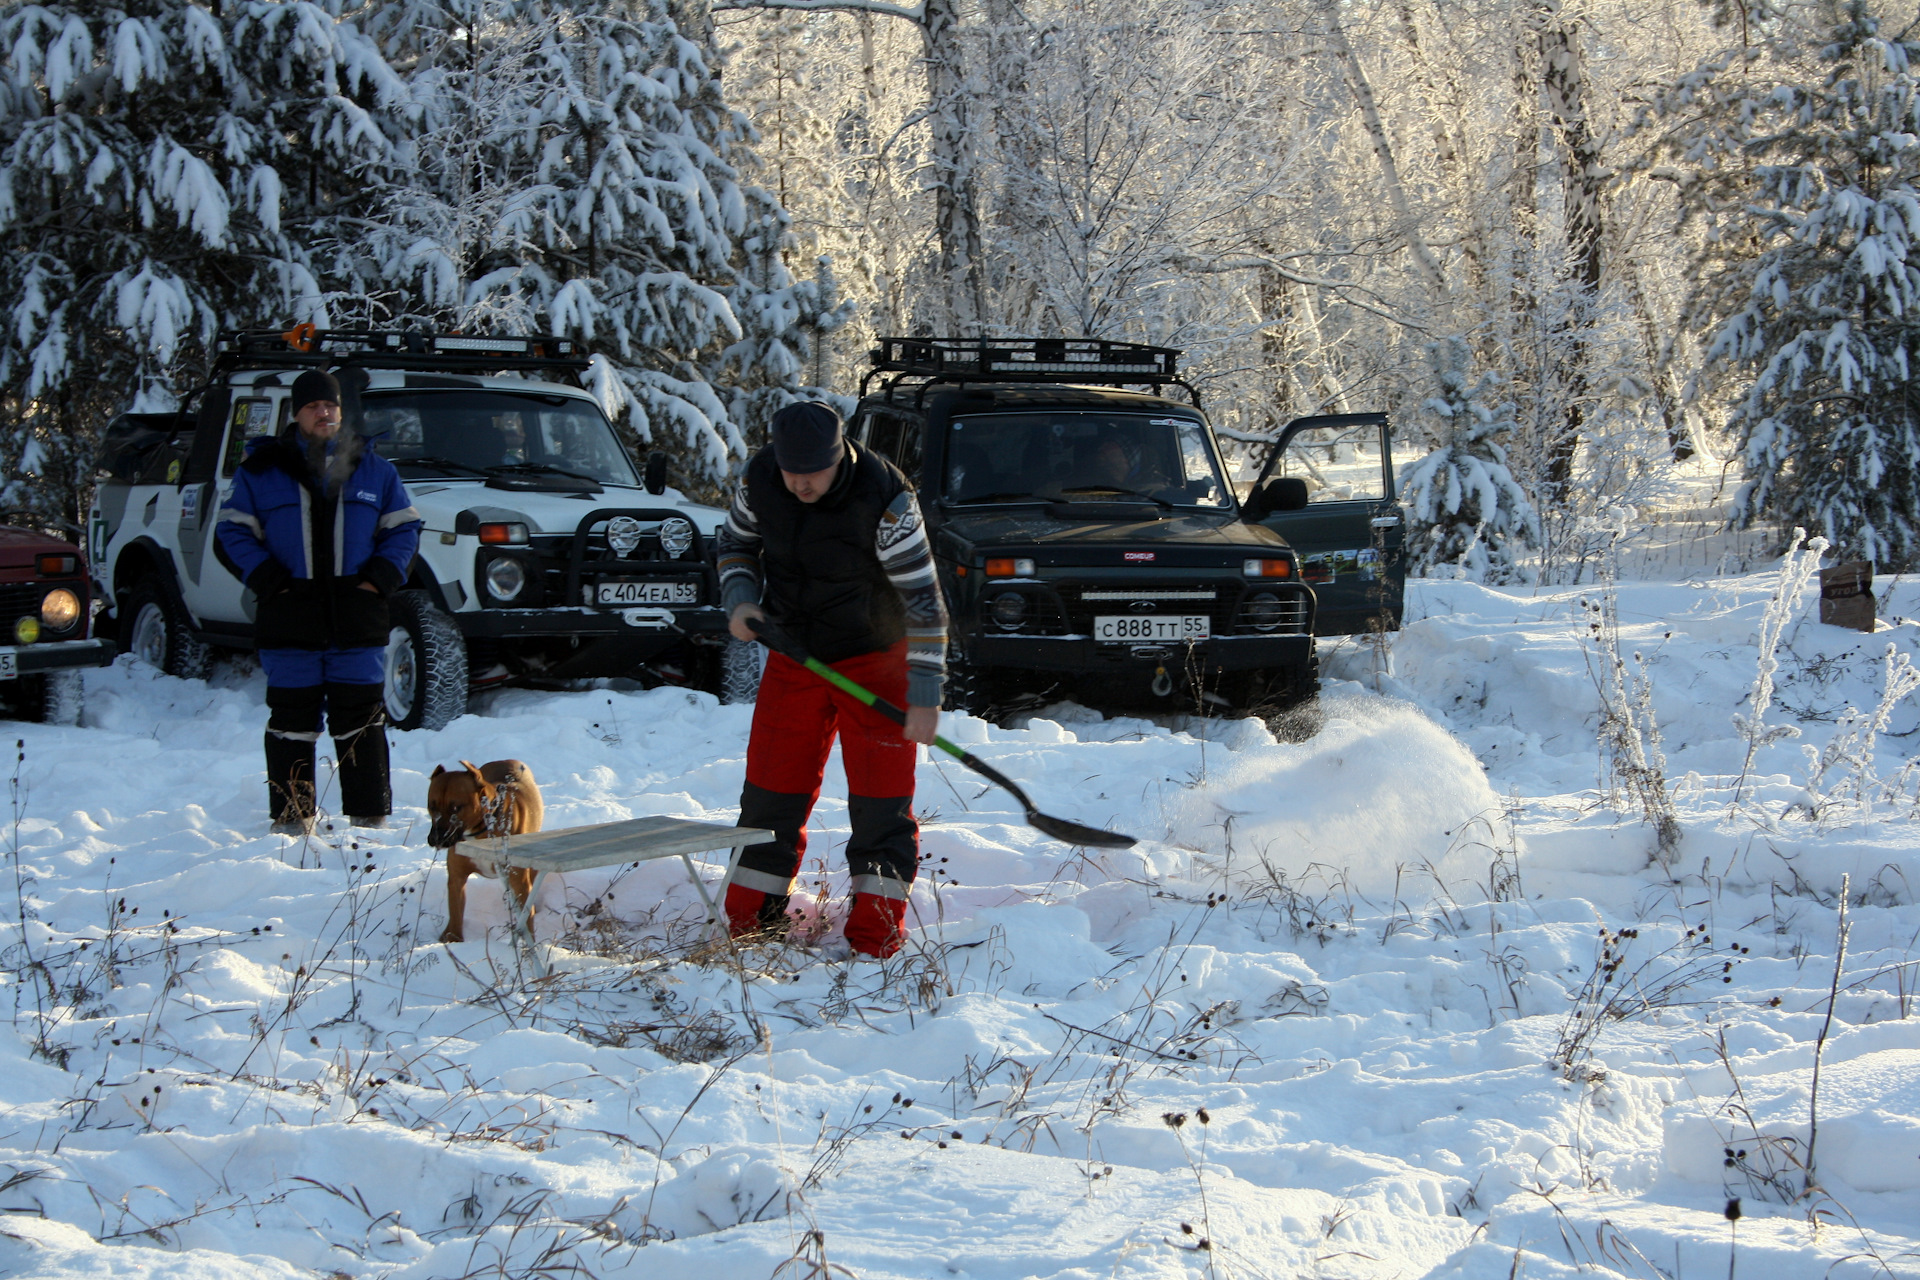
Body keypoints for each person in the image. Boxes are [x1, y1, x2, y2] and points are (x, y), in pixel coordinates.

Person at [716, 401, 948, 958]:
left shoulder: (887, 500)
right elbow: (735, 545)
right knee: (770, 793)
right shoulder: (759, 482)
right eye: (790, 473)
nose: (799, 485)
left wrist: (924, 694)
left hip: (877, 659)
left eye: (812, 474)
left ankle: (874, 940)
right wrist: (741, 597)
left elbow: (923, 602)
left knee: (879, 804)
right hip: (794, 654)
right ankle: (753, 929)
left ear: (839, 456)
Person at [217, 371, 423, 833]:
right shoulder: (262, 471)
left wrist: (379, 580)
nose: (323, 413)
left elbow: (404, 529)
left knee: (363, 723)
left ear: (341, 412)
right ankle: (292, 825)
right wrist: (271, 581)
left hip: (356, 618)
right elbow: (231, 532)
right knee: (292, 721)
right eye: (313, 406)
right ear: (297, 414)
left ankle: (370, 823)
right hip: (291, 619)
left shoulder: (375, 470)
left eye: (330, 406)